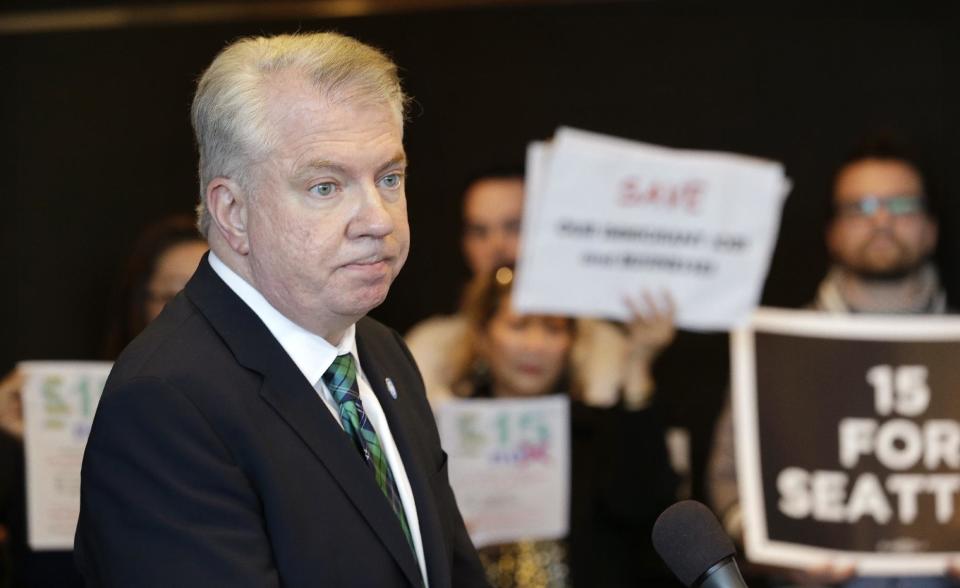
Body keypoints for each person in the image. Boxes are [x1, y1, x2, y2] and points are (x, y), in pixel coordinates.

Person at [75, 32, 487, 587]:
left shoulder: (383, 352)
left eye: (389, 178)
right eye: (325, 186)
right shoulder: (165, 402)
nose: (378, 219)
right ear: (233, 211)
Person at [708, 136, 953, 587]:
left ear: (932, 227)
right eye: (860, 207)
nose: (881, 220)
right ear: (833, 232)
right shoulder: (778, 348)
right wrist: (774, 548)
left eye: (901, 205)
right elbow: (729, 479)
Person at [0, 214, 205, 588]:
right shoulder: (100, 399)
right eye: (173, 296)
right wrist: (35, 444)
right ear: (141, 304)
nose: (193, 313)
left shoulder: (271, 407)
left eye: (209, 294)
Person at [448, 266, 679, 587]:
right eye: (519, 326)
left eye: (553, 329)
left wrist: (638, 364)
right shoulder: (442, 438)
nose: (535, 345)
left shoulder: (595, 433)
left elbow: (646, 506)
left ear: (571, 343)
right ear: (483, 337)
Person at [407, 171, 648, 410]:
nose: (497, 246)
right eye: (479, 231)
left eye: (514, 227)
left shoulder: (604, 347)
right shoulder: (430, 349)